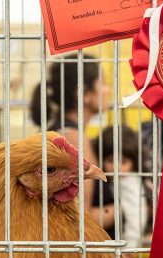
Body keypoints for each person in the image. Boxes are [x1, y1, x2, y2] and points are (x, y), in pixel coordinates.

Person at [30, 54, 113, 229]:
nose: (108, 90)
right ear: (83, 94)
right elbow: (81, 217)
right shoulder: (72, 137)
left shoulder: (59, 129)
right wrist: (125, 210)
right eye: (103, 83)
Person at [92, 125, 148, 258]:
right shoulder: (108, 181)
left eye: (123, 162)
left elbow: (136, 215)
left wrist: (128, 248)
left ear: (133, 162)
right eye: (110, 160)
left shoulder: (129, 181)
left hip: (123, 245)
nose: (116, 167)